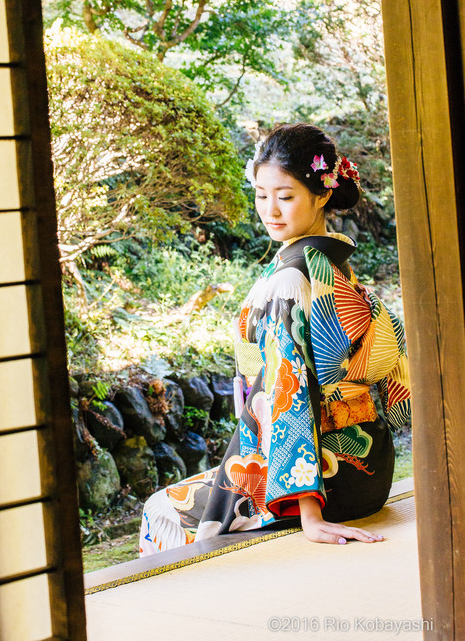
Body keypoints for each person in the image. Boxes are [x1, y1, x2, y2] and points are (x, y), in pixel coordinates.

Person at [139, 122, 411, 555]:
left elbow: (287, 388)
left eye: (285, 196)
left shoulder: (288, 280)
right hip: (368, 468)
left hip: (320, 478)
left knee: (160, 511)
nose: (271, 210)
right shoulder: (333, 264)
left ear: (322, 194)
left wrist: (309, 511)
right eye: (261, 195)